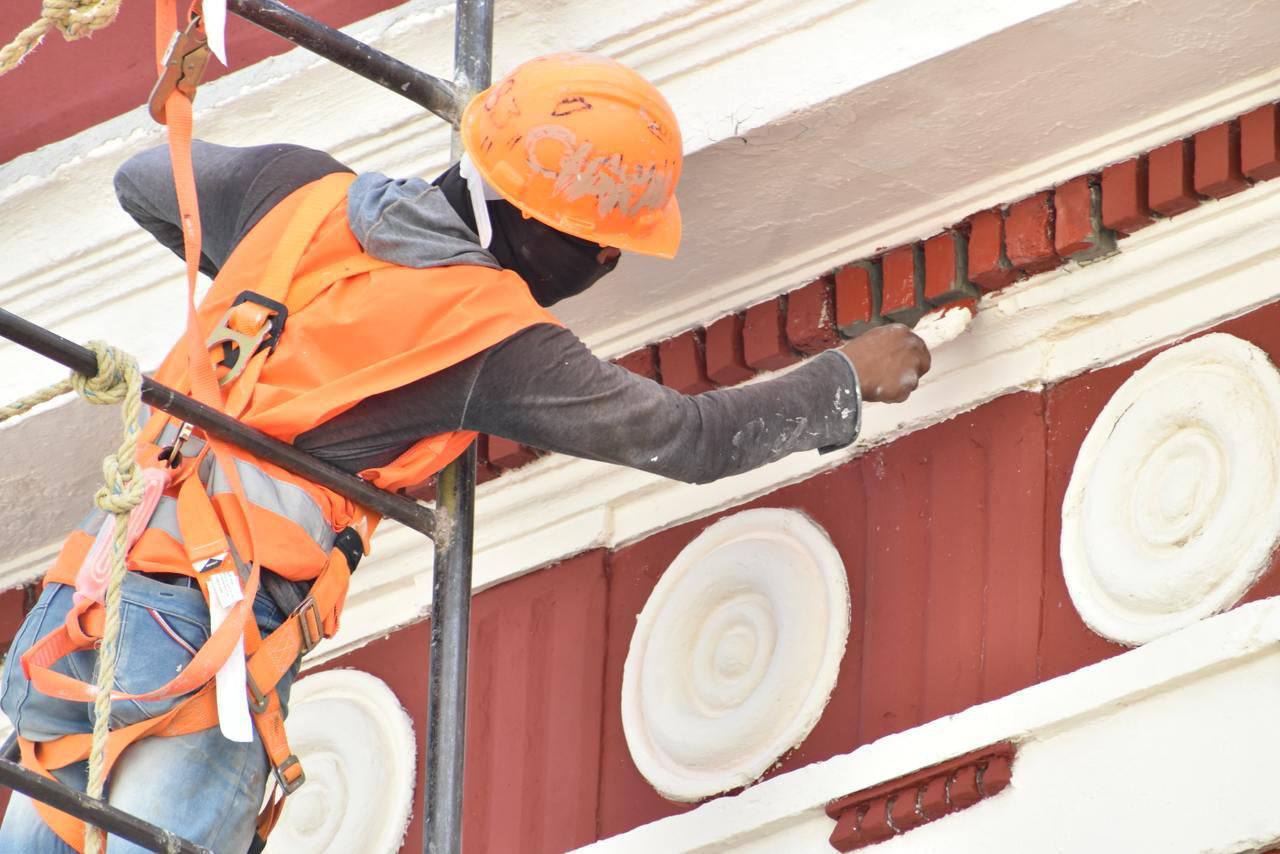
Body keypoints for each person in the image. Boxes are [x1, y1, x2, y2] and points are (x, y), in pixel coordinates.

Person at [0, 52, 930, 852]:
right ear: (530, 221)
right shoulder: (486, 335)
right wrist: (847, 377)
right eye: (603, 245)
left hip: (83, 610)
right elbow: (686, 439)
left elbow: (142, 183)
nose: (608, 267)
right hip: (202, 648)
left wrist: (262, 311)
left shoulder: (296, 195)